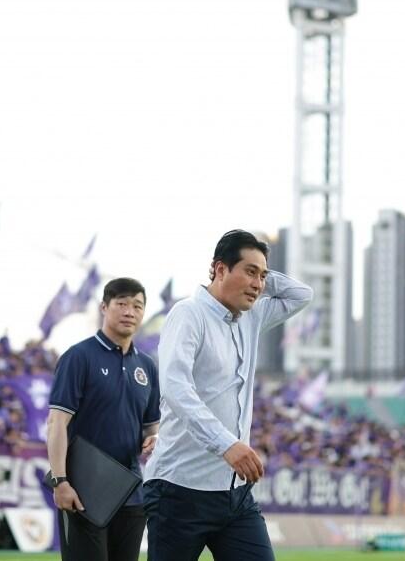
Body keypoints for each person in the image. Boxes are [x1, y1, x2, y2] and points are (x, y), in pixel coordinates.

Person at [143, 230, 313, 561]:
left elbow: (301, 294)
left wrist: (259, 272)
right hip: (179, 491)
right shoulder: (188, 314)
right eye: (250, 272)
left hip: (234, 494)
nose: (259, 284)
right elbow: (176, 388)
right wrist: (226, 444)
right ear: (219, 269)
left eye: (262, 276)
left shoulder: (252, 316)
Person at [46, 278, 160, 561]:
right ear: (104, 308)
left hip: (132, 493)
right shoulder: (78, 357)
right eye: (121, 304)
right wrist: (60, 481)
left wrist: (153, 439)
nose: (129, 312)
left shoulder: (146, 366)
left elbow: (151, 427)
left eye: (137, 306)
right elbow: (56, 423)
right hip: (84, 492)